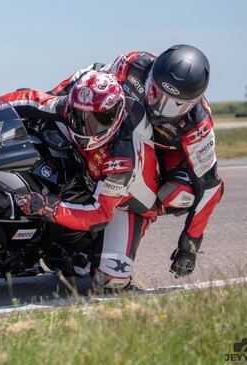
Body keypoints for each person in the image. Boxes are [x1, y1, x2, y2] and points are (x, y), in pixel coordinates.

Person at [48, 44, 224, 278]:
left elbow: (210, 188)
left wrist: (189, 246)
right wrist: (55, 99)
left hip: (158, 158)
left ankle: (129, 213)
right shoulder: (132, 64)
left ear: (192, 102)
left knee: (182, 192)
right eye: (154, 91)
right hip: (113, 135)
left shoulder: (199, 127)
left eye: (173, 103)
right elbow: (91, 78)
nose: (157, 105)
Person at [0, 71, 159, 290]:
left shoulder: (123, 155)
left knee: (110, 282)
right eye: (80, 116)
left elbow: (99, 213)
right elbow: (28, 99)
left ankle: (79, 251)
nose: (86, 126)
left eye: (98, 120)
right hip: (89, 175)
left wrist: (46, 207)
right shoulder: (70, 106)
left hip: (124, 205)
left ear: (116, 116)